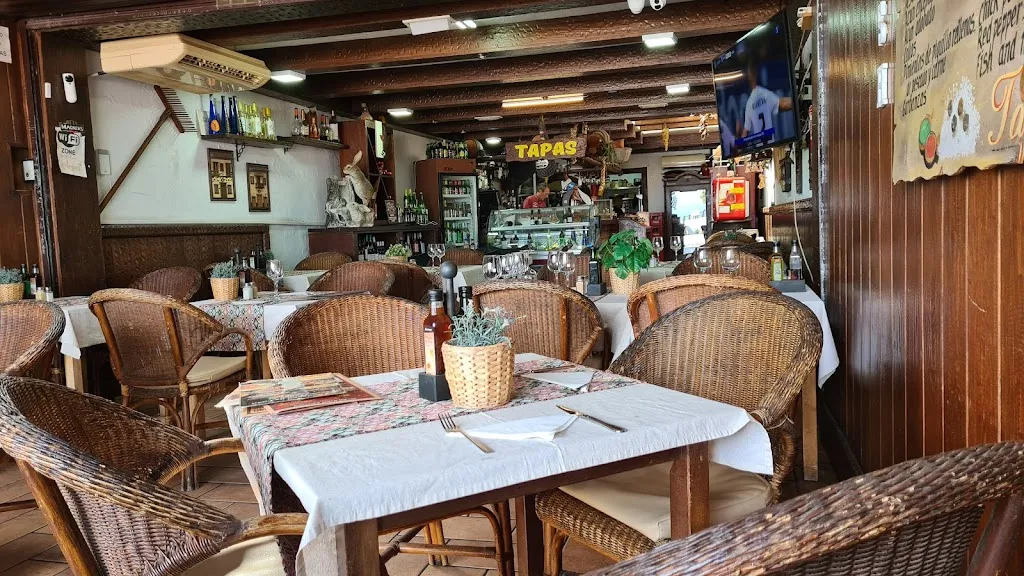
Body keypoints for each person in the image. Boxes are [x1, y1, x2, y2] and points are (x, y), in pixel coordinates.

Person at [740, 59, 793, 139]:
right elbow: (785, 104)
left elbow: (745, 133)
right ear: (757, 74)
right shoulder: (764, 94)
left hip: (759, 147)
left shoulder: (749, 103)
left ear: (749, 77)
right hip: (770, 142)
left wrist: (737, 143)